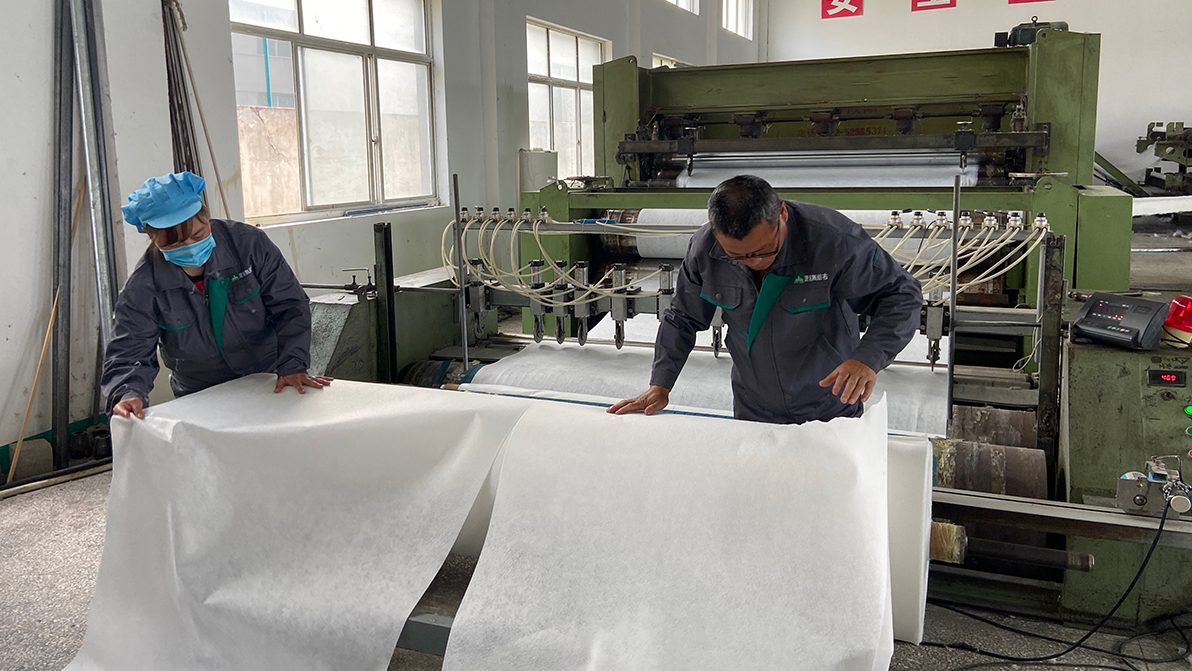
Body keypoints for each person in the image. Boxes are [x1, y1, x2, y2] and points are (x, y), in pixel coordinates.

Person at [609, 175, 922, 424]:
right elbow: (683, 318)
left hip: (829, 408)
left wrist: (868, 357)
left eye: (763, 251)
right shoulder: (705, 249)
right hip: (753, 409)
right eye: (737, 256)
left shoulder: (833, 241)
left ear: (782, 213)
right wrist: (660, 384)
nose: (754, 263)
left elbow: (901, 295)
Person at [102, 171, 330, 419]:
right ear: (150, 235)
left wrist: (293, 364)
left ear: (206, 216)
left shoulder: (248, 245)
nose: (190, 247)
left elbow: (290, 306)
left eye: (198, 235)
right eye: (174, 243)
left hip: (269, 378)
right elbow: (129, 351)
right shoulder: (143, 287)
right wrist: (127, 393)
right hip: (201, 394)